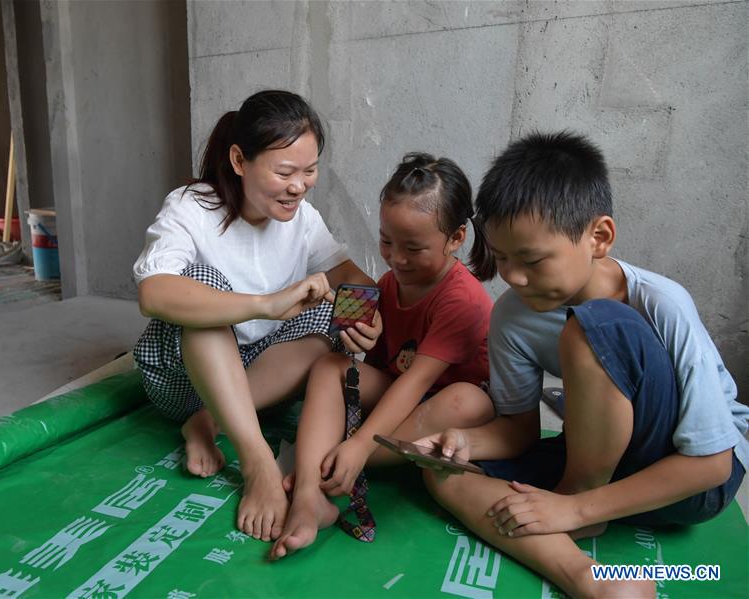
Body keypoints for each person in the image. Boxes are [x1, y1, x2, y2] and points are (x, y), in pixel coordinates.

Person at [415, 131, 748, 598]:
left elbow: (712, 464)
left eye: (530, 259)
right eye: (502, 257)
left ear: (599, 237)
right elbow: (519, 430)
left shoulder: (663, 302)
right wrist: (462, 442)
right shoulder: (514, 314)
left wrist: (574, 508)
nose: (512, 275)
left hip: (689, 475)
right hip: (601, 460)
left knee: (595, 324)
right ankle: (590, 578)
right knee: (443, 474)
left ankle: (578, 507)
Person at [132, 90, 377, 542]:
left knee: (329, 316)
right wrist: (266, 303)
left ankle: (210, 421)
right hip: (182, 377)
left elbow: (350, 275)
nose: (298, 186)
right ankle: (257, 460)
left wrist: (364, 315)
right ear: (240, 160)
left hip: (255, 382)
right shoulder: (193, 206)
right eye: (284, 172)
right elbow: (153, 292)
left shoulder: (302, 218)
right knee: (204, 282)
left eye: (309, 171)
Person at [271, 153, 495, 559]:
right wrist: (356, 340)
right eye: (386, 241)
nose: (397, 258)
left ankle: (338, 467)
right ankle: (309, 495)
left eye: (414, 247)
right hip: (399, 399)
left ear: (457, 238)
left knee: (466, 400)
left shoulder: (463, 299)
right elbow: (367, 364)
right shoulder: (386, 285)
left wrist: (357, 448)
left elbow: (416, 382)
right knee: (329, 365)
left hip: (446, 409)